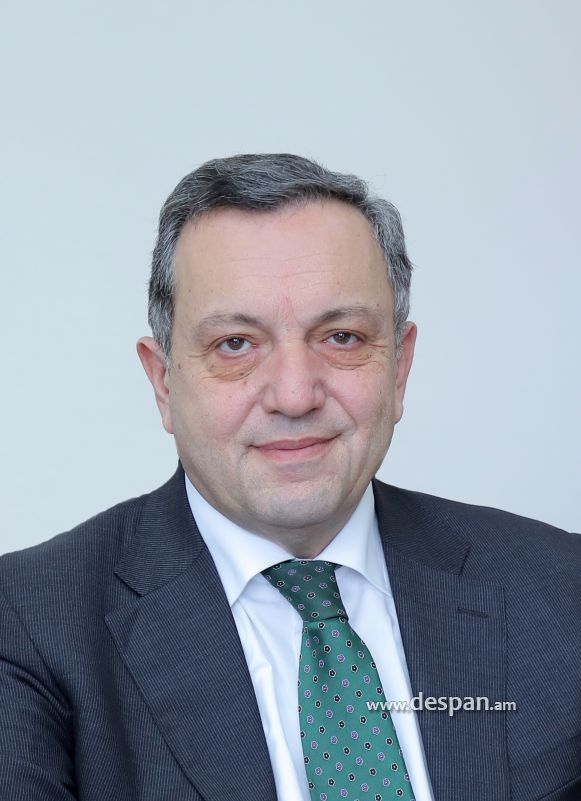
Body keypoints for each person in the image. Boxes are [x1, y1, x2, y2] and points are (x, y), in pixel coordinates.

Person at [0, 154, 579, 801]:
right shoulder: (27, 625)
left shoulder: (562, 589)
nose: (295, 395)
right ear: (163, 382)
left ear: (399, 366)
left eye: (341, 336)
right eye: (235, 344)